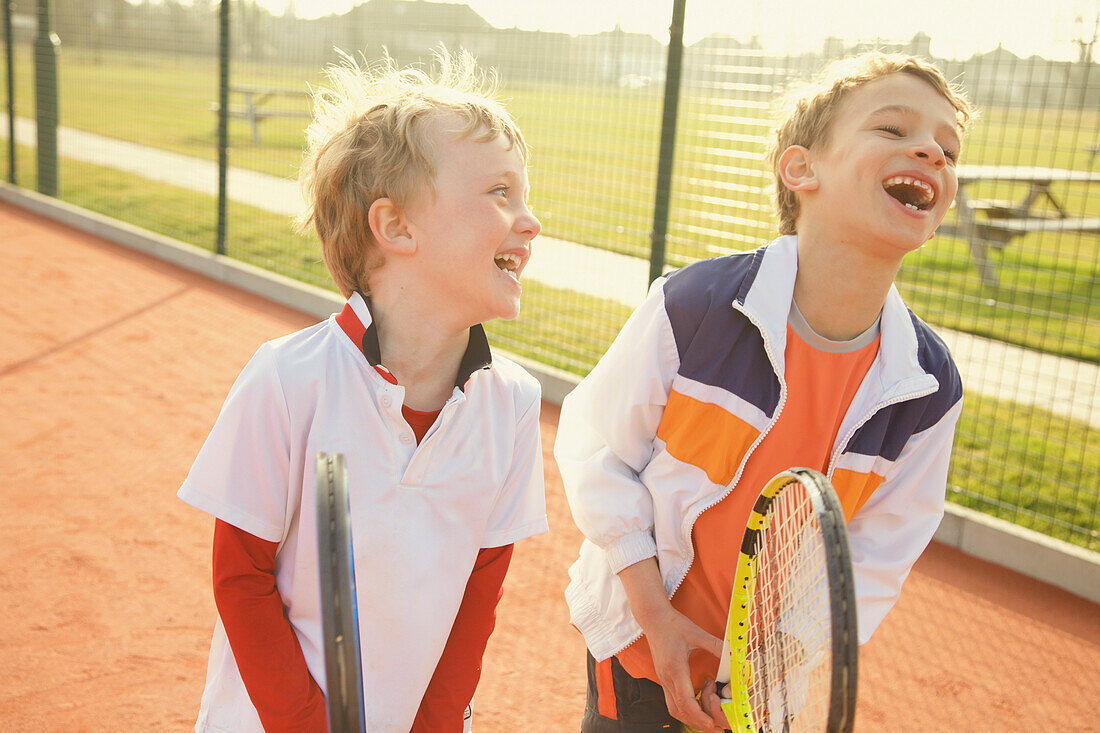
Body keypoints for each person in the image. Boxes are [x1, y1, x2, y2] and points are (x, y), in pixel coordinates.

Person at [555, 52, 972, 732]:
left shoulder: (929, 387)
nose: (930, 150)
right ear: (801, 169)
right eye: (893, 130)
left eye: (948, 149)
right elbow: (594, 450)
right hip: (635, 646)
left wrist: (782, 656)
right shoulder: (696, 307)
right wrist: (654, 616)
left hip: (763, 689)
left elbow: (873, 555)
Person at [178, 49, 546, 733]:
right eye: (500, 193)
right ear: (396, 226)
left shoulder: (514, 407)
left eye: (524, 196)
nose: (530, 220)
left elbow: (478, 594)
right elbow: (241, 577)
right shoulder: (288, 379)